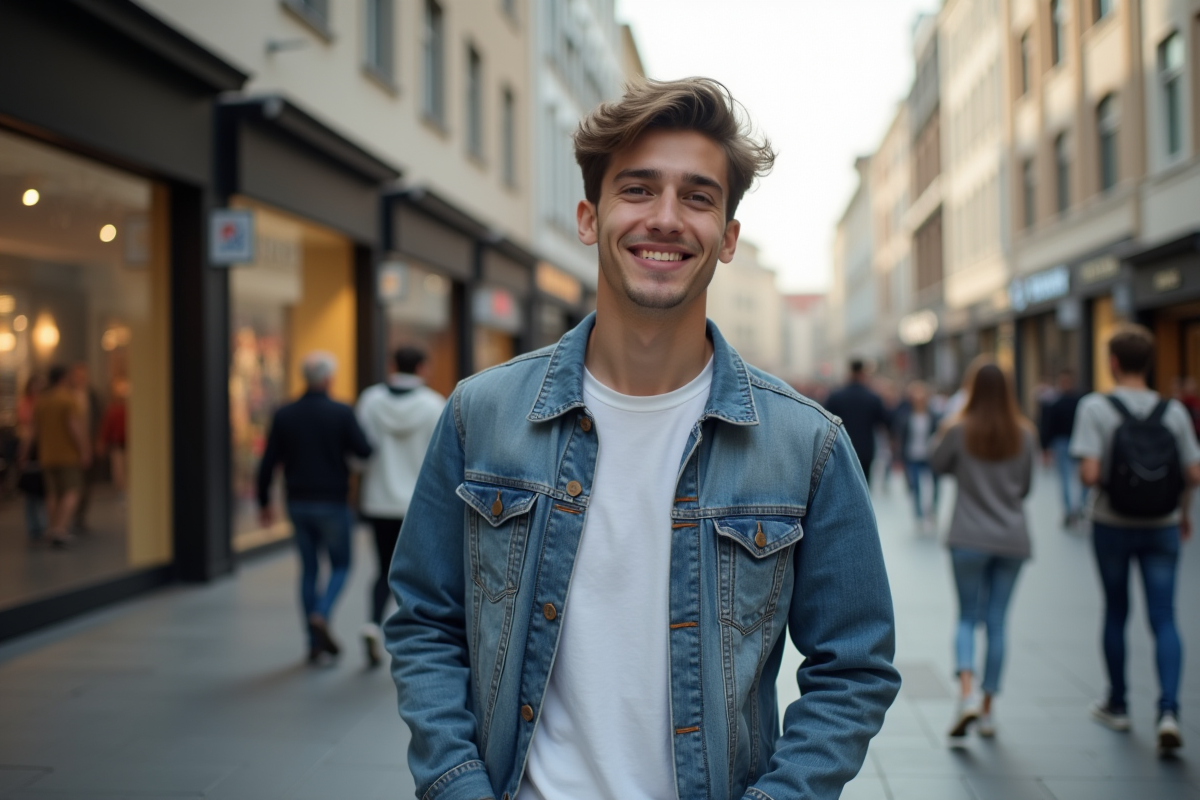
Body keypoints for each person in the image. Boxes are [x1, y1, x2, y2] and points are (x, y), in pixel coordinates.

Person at [386, 78, 899, 800]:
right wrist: (456, 781)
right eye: (638, 190)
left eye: (696, 196)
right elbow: (424, 623)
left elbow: (854, 668)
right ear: (589, 218)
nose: (665, 218)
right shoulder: (483, 413)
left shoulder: (805, 444)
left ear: (727, 238)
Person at [1069, 324, 1200, 754]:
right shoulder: (1174, 411)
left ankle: (1118, 703)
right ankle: (1168, 711)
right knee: (1164, 615)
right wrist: (1182, 513)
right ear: (1149, 363)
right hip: (1162, 525)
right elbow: (1194, 472)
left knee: (1116, 611)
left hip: (1113, 524)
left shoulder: (1095, 407)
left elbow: (1088, 474)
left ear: (1113, 362)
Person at [931, 361, 1034, 740]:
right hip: (1011, 538)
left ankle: (965, 695)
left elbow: (936, 464)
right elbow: (1025, 487)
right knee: (997, 622)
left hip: (968, 537)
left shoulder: (959, 429)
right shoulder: (1025, 433)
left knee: (965, 618)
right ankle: (988, 710)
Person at [257, 352, 372, 665]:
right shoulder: (341, 412)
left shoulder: (285, 413)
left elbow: (268, 462)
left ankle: (312, 643)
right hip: (333, 501)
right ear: (328, 378)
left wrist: (264, 501)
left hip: (297, 501)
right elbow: (364, 449)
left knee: (309, 569)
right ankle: (321, 613)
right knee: (341, 565)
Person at [354, 345, 444, 667]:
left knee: (383, 569)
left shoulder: (371, 400)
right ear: (421, 367)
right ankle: (412, 639)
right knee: (417, 574)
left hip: (378, 500)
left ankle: (372, 624)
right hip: (418, 505)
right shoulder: (434, 404)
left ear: (394, 365)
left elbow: (358, 451)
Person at [21, 366, 90, 548]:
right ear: (63, 378)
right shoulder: (67, 400)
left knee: (52, 494)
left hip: (47, 455)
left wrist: (24, 453)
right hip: (68, 455)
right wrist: (84, 449)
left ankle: (52, 528)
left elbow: (32, 431)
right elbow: (74, 427)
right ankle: (60, 529)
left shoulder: (42, 401)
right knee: (73, 491)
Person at [825, 359, 890, 486]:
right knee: (864, 485)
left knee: (844, 485)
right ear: (863, 373)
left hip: (842, 448)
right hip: (866, 449)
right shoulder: (872, 397)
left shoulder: (836, 397)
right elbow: (885, 421)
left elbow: (825, 420)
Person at [894, 380, 941, 534]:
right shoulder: (906, 416)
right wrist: (898, 457)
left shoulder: (933, 416)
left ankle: (932, 512)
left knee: (934, 485)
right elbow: (901, 437)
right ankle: (919, 516)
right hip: (912, 455)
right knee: (916, 486)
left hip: (930, 456)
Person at [1040, 369, 1084, 527]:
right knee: (1072, 478)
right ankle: (1075, 509)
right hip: (1069, 442)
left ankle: (1073, 509)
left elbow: (1047, 426)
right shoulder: (1079, 402)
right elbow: (1048, 426)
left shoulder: (1060, 402)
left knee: (1070, 477)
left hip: (1068, 442)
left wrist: (1045, 447)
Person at [15, 374, 47, 543]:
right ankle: (34, 528)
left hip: (45, 449)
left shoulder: (45, 403)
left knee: (43, 492)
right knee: (32, 493)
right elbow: (27, 430)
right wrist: (24, 453)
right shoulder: (27, 405)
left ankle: (43, 526)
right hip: (33, 450)